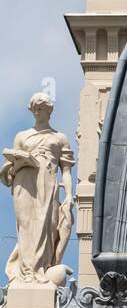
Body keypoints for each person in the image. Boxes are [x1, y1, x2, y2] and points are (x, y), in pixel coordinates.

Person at [0, 92, 74, 285]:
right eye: (34, 108)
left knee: (46, 225)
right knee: (25, 226)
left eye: (40, 108)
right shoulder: (22, 136)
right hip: (24, 184)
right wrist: (19, 162)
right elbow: (10, 170)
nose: (37, 112)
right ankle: (25, 274)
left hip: (48, 184)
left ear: (49, 110)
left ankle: (41, 269)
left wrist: (69, 195)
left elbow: (66, 170)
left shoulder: (59, 138)